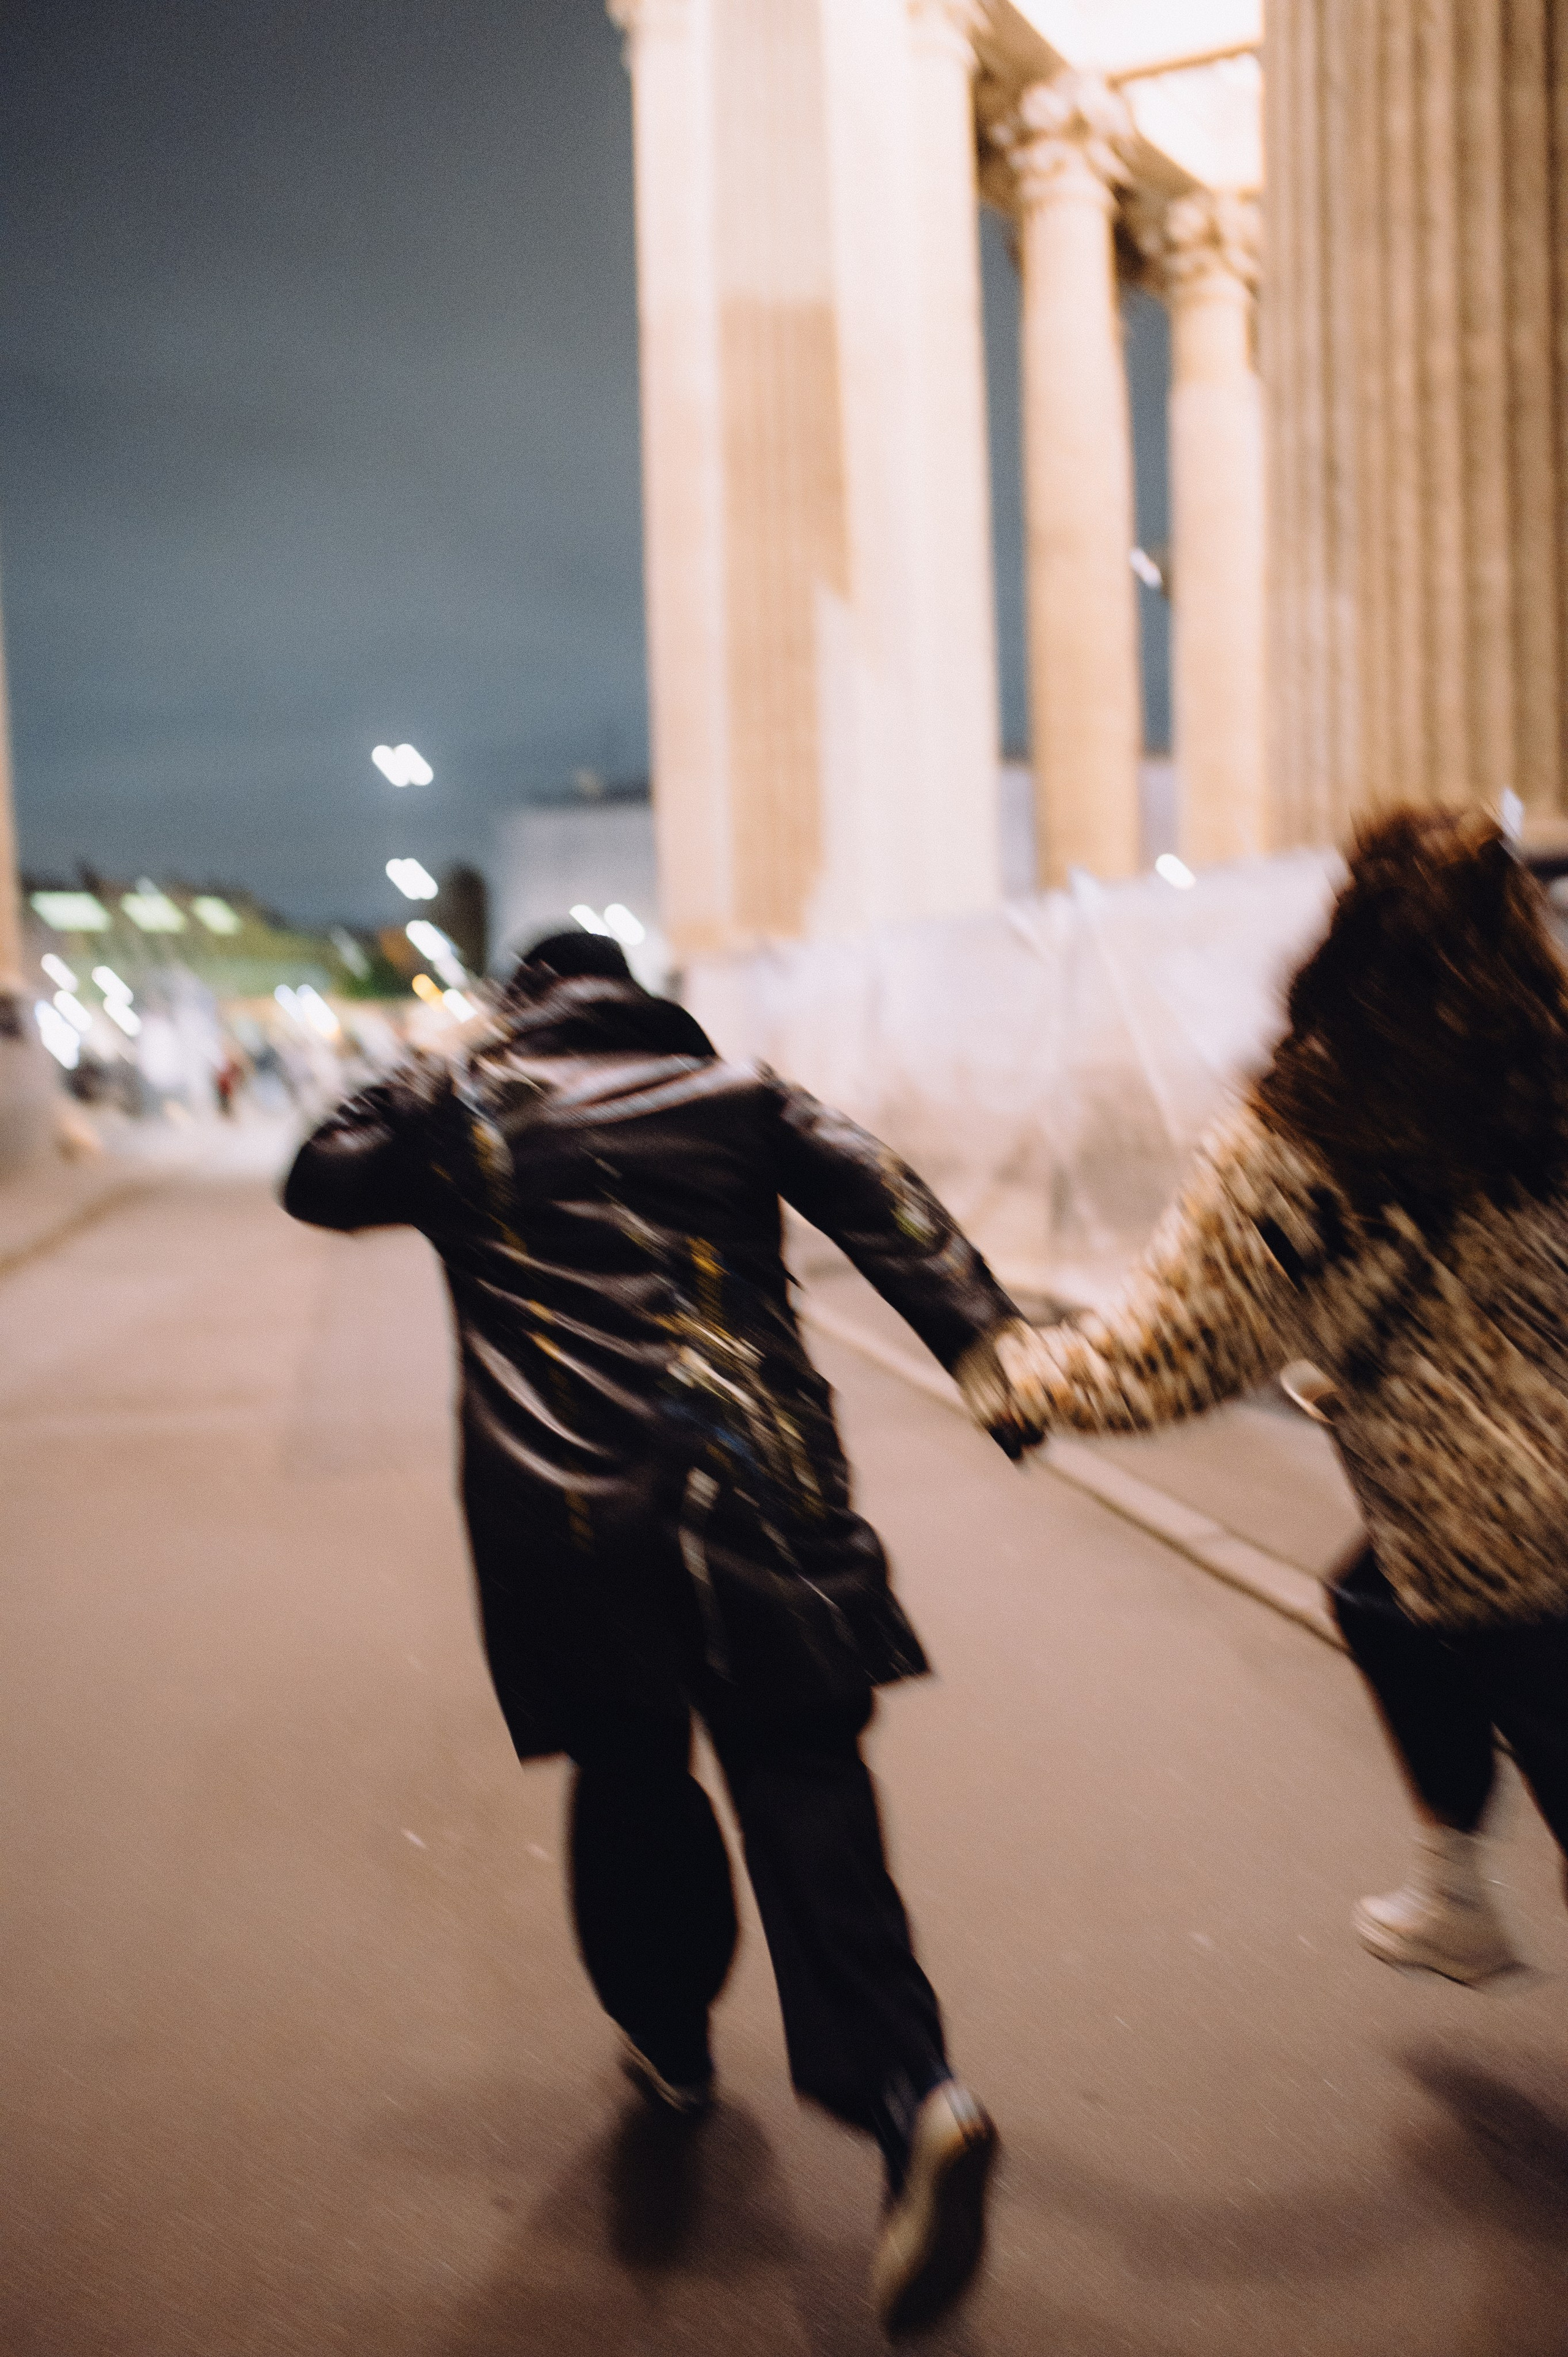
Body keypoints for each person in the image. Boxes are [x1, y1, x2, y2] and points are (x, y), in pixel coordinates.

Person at [283, 927, 1022, 2334]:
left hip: (569, 1534)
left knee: (632, 1784)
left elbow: (318, 1172)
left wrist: (438, 1062)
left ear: (521, 1009)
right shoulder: (743, 1091)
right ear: (645, 1005)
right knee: (808, 1783)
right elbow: (888, 1196)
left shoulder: (463, 1108)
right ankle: (914, 2091)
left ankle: (672, 2048)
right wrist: (989, 1351)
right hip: (765, 1486)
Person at [965, 809, 1568, 1983]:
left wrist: (1018, 1378)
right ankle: (1452, 1882)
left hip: (1493, 1529)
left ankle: (1456, 1893)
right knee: (1373, 1601)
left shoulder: (1310, 1131)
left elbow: (1172, 1347)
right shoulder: (1549, 1084)